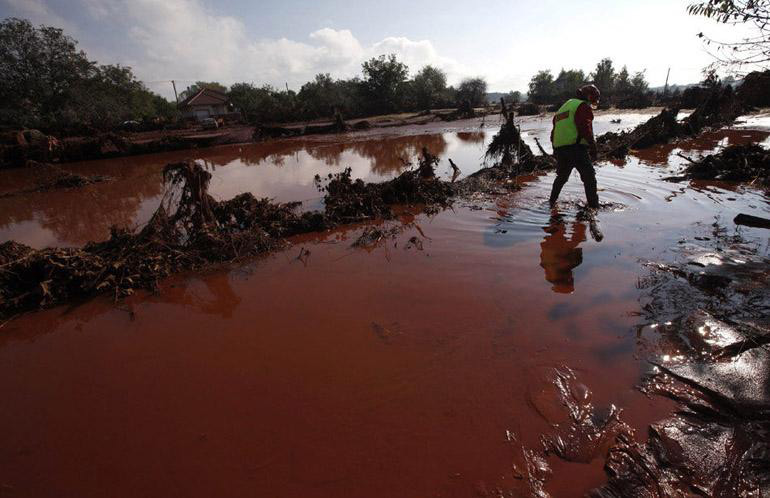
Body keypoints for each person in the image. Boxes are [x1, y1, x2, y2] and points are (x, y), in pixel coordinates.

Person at [549, 84, 601, 208]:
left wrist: (555, 150)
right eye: (594, 99)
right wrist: (593, 147)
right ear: (589, 96)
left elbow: (554, 132)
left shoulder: (564, 107)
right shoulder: (582, 106)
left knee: (561, 177)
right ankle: (594, 206)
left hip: (560, 149)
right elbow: (585, 128)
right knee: (589, 177)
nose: (593, 102)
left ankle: (551, 202)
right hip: (576, 148)